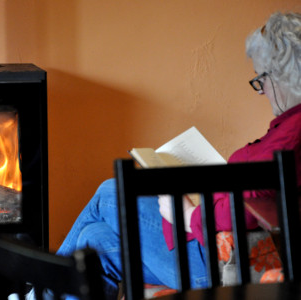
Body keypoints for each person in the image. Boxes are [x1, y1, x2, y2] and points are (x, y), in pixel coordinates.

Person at [34, 12, 301, 300]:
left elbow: (248, 205)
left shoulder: (292, 136)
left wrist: (188, 217)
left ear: (286, 74)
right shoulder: (289, 127)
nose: (261, 92)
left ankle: (35, 293)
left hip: (215, 260)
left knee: (109, 193)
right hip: (210, 246)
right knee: (94, 239)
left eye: (262, 79)